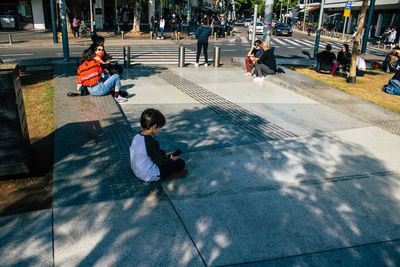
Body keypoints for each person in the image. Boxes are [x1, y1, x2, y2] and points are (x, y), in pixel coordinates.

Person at [129, 108, 187, 181]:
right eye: (159, 127)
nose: (159, 130)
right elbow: (161, 163)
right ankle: (167, 176)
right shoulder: (152, 142)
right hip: (147, 174)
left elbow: (150, 151)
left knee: (161, 152)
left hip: (137, 170)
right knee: (180, 163)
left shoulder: (137, 136)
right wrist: (171, 160)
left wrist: (165, 154)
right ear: (154, 126)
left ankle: (166, 159)